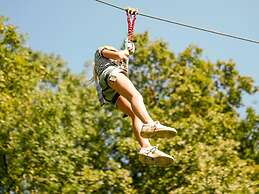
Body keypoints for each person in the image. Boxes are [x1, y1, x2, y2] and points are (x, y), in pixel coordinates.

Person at [93, 42, 177, 167]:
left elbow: (122, 58)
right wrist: (125, 51)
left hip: (109, 91)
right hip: (112, 76)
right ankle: (150, 124)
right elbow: (120, 55)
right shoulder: (101, 50)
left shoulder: (111, 64)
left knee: (134, 115)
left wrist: (129, 47)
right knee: (136, 96)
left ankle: (146, 147)